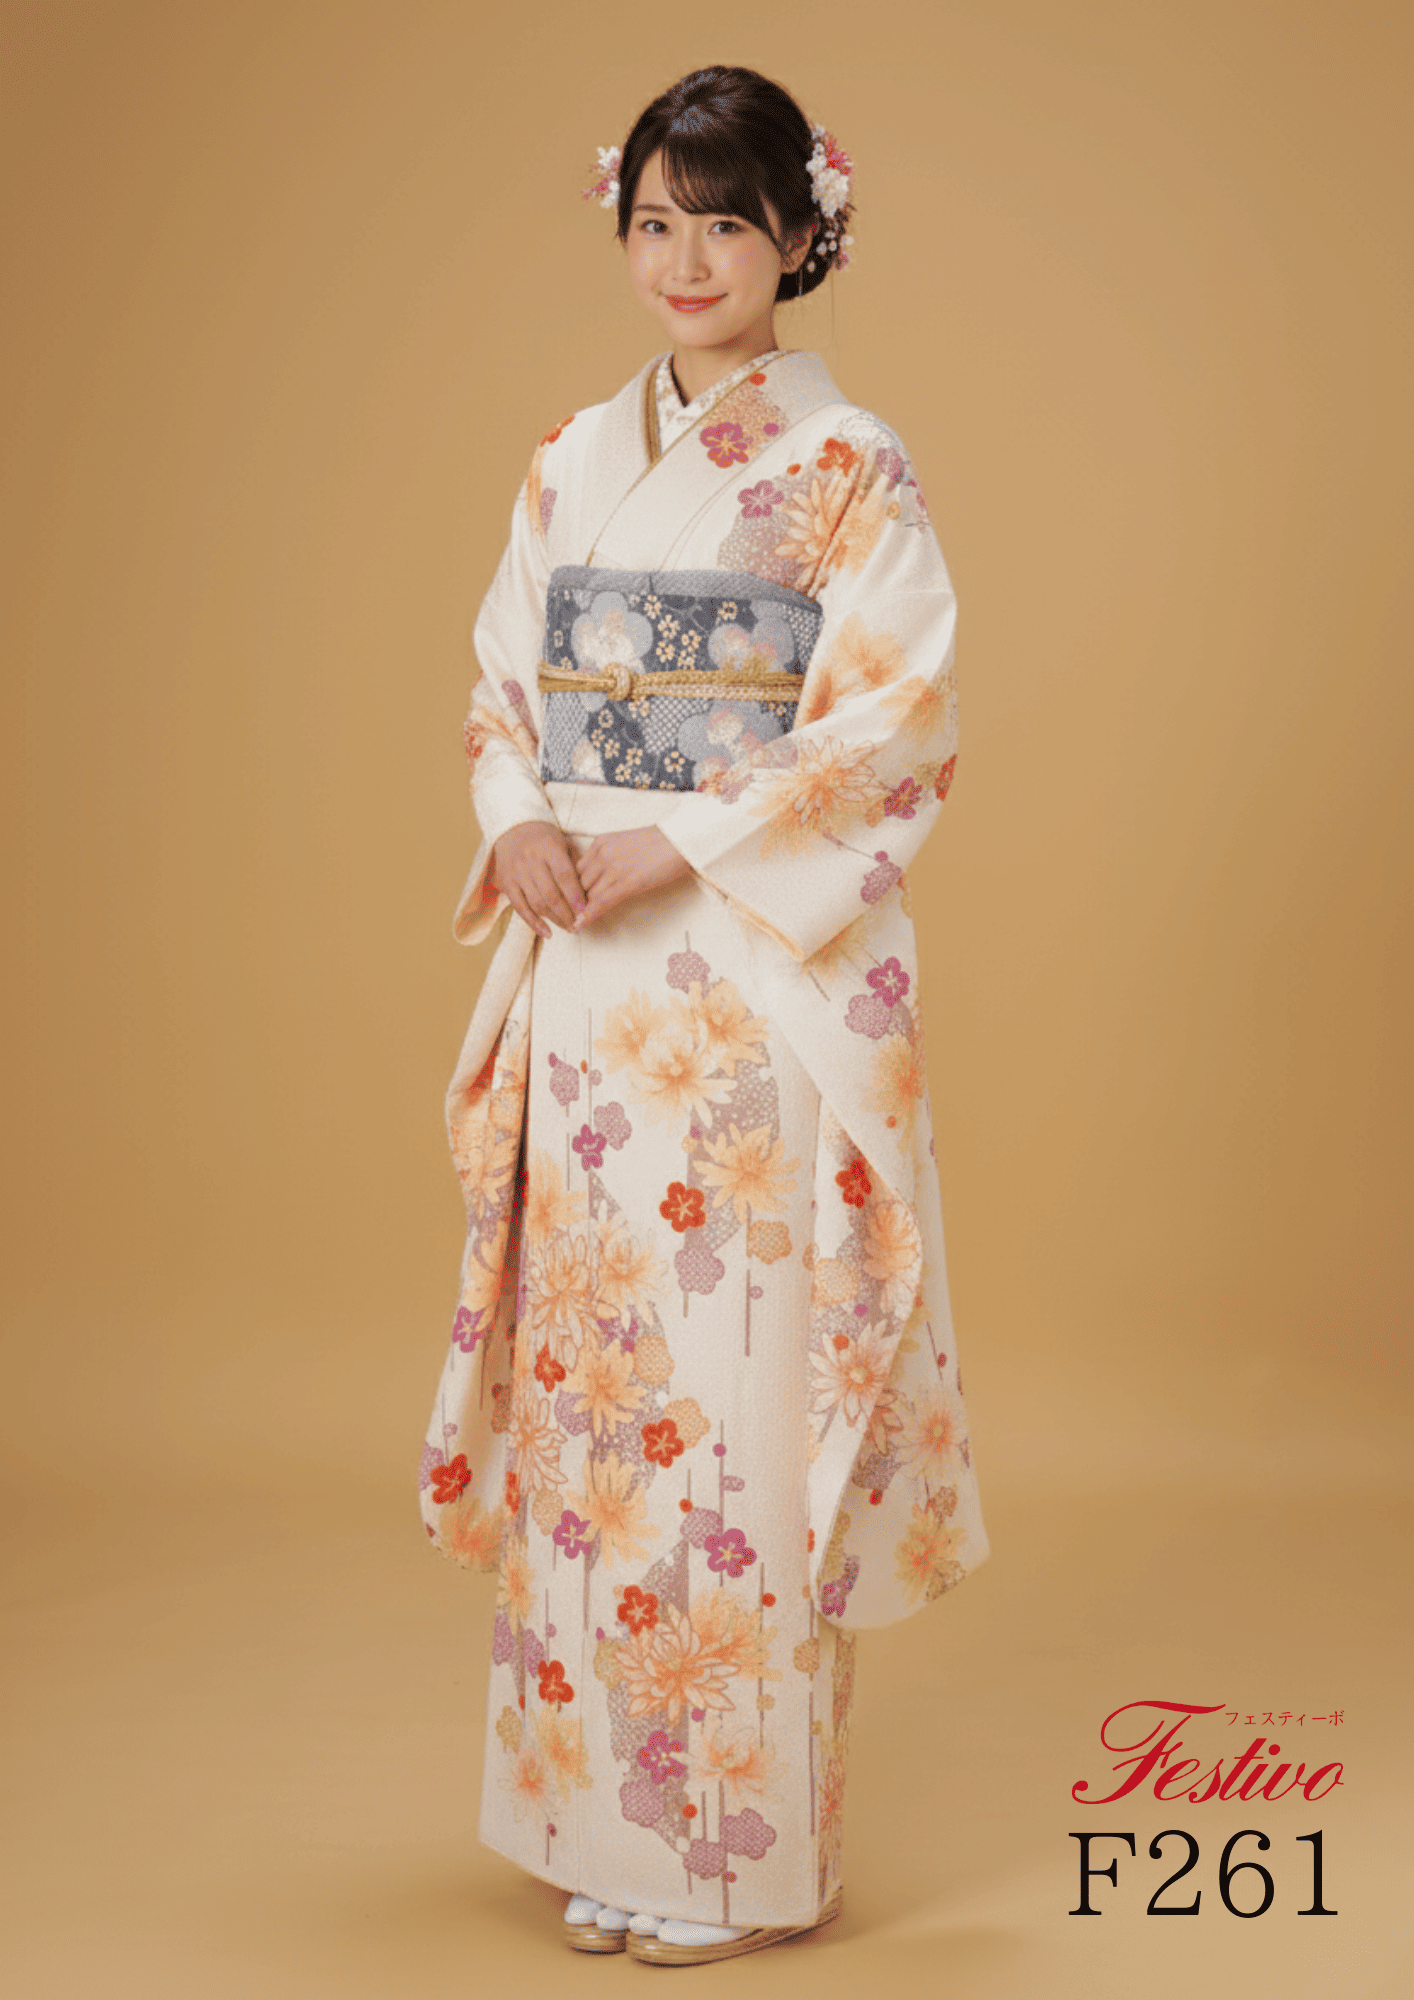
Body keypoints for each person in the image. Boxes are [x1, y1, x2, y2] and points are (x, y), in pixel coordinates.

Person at [418, 64, 988, 1967]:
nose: (685, 260)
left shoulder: (849, 467)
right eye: (654, 221)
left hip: (744, 973)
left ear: (800, 237)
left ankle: (738, 1863)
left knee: (734, 1409)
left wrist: (669, 836)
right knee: (597, 1406)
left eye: (725, 222)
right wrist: (520, 820)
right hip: (588, 972)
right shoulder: (572, 456)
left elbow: (894, 717)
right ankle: (592, 1827)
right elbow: (505, 677)